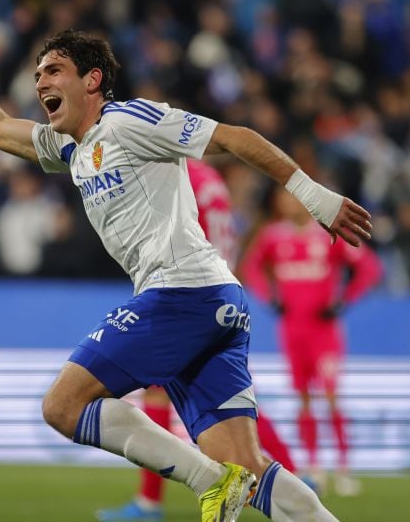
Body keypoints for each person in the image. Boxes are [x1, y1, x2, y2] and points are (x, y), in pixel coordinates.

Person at [0, 10, 371, 521]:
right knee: (251, 464)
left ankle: (211, 481)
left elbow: (232, 137)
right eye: (38, 72)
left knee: (62, 406)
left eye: (54, 69)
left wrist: (315, 197)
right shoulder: (71, 146)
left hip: (183, 293)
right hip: (214, 304)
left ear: (93, 80)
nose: (40, 80)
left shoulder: (127, 121)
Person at [97, 158, 298, 521]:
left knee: (158, 390)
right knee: (231, 399)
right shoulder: (210, 180)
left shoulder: (176, 175)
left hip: (188, 293)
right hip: (219, 290)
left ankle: (149, 503)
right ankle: (291, 474)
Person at [241, 187, 382, 495]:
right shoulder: (273, 236)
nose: (287, 201)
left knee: (331, 397)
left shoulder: (329, 233)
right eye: (283, 197)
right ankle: (313, 465)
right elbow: (251, 268)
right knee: (304, 400)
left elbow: (369, 268)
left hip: (324, 333)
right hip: (293, 331)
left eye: (293, 196)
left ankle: (344, 468)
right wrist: (271, 297)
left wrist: (343, 301)